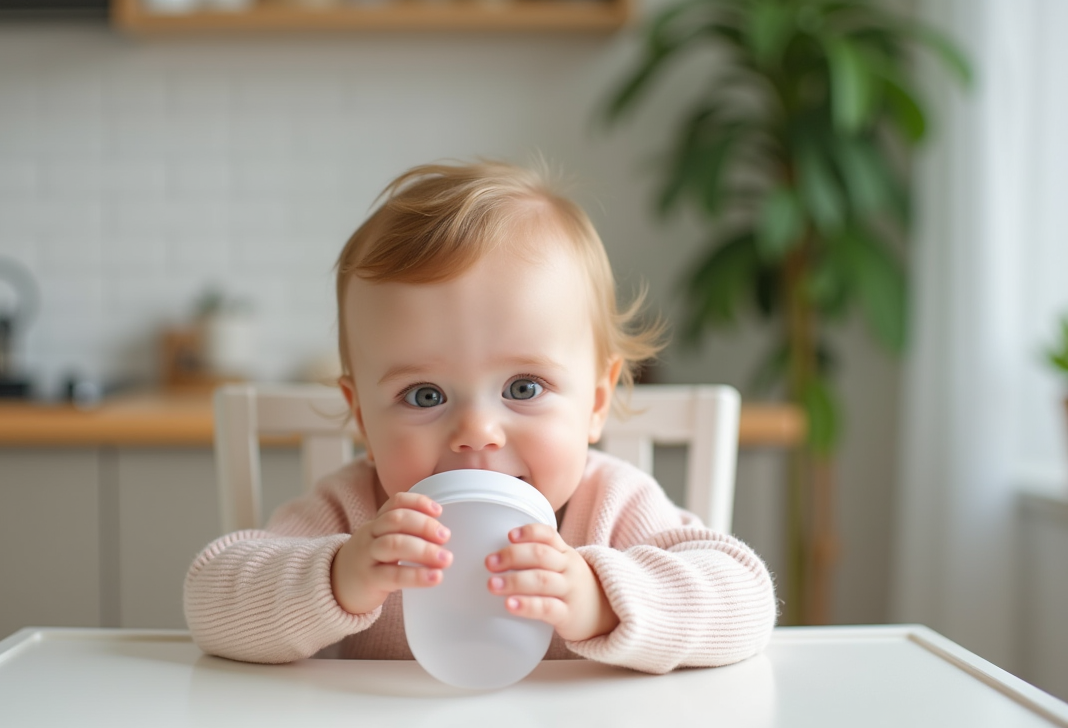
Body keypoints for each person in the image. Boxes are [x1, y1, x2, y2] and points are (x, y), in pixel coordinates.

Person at [185, 160, 777, 673]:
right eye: (424, 395)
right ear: (362, 416)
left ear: (596, 403)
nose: (476, 433)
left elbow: (745, 602)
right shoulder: (353, 514)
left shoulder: (614, 508)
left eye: (523, 386)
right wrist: (339, 575)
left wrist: (601, 599)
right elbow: (212, 599)